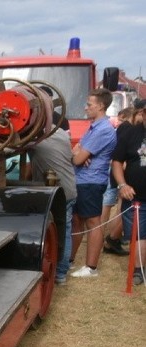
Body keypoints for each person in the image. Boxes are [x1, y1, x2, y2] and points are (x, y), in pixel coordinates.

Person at [69, 88, 116, 278]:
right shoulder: (94, 126)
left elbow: (78, 158)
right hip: (84, 180)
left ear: (101, 106)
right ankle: (70, 260)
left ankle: (91, 267)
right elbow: (77, 151)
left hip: (91, 181)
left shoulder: (103, 129)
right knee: (78, 221)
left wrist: (78, 154)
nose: (85, 107)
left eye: (89, 104)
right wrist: (78, 152)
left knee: (93, 222)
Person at [28, 118, 77, 284]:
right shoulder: (62, 133)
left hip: (57, 192)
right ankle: (61, 273)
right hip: (69, 188)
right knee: (65, 230)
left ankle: (59, 272)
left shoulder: (37, 140)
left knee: (58, 230)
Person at [111, 101, 146, 285]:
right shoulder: (130, 133)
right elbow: (117, 162)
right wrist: (122, 185)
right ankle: (139, 271)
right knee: (137, 234)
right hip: (135, 196)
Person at [102, 106, 136, 256]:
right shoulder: (127, 129)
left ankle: (110, 237)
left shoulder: (124, 128)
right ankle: (108, 237)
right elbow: (119, 156)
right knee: (113, 205)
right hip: (120, 174)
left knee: (119, 207)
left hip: (120, 174)